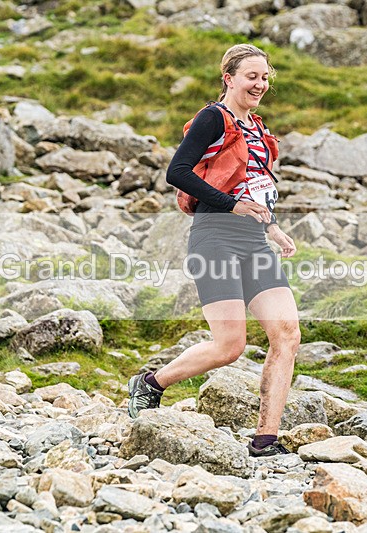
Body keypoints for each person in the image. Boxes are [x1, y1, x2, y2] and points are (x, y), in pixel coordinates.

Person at [127, 43, 301, 457]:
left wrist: (272, 227)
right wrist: (232, 205)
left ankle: (265, 440)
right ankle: (152, 384)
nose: (259, 84)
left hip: (253, 241)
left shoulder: (257, 127)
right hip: (214, 237)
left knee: (287, 335)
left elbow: (251, 186)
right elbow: (178, 172)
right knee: (230, 346)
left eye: (264, 77)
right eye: (251, 77)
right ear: (229, 78)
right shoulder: (212, 118)